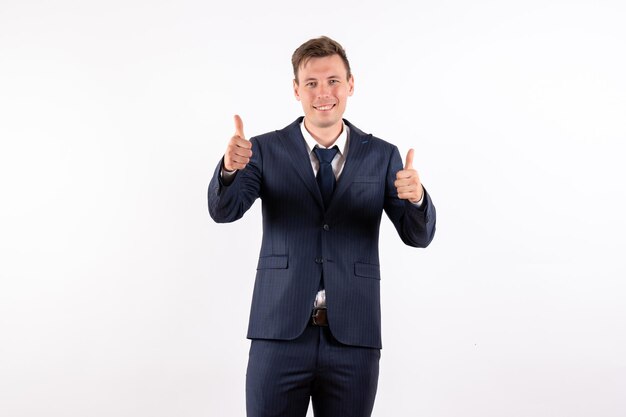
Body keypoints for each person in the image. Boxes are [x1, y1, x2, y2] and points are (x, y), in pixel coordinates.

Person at [208, 36, 436, 417]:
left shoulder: (382, 155)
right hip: (278, 333)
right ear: (296, 90)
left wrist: (416, 199)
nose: (323, 93)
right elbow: (223, 210)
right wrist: (230, 170)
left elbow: (419, 236)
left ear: (350, 84)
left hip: (354, 337)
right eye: (311, 83)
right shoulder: (262, 150)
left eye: (333, 81)